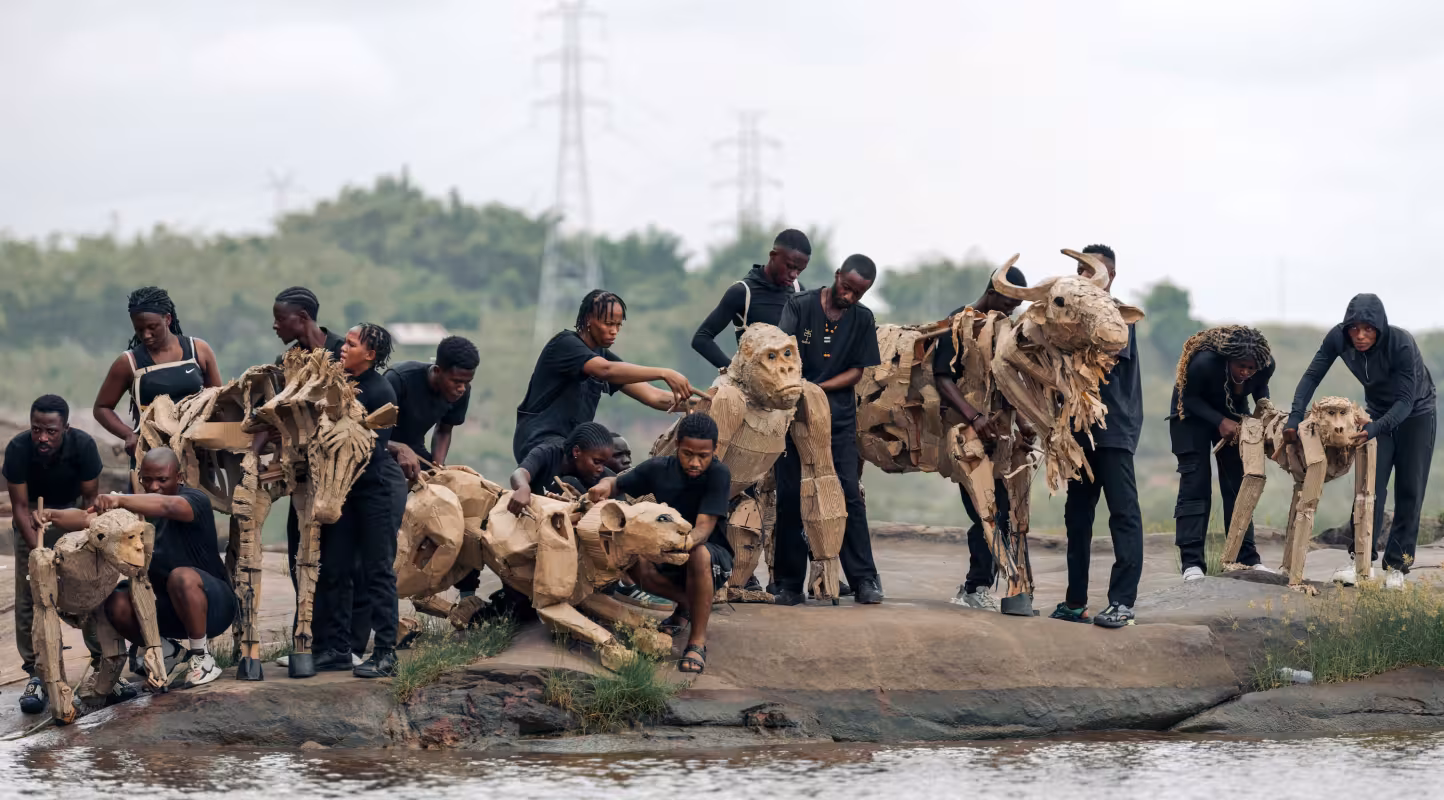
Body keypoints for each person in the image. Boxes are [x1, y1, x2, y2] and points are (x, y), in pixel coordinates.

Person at [43, 447, 237, 690]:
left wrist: (120, 499)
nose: (154, 486)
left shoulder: (194, 500)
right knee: (116, 600)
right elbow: (85, 518)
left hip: (213, 607)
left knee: (181, 577)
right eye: (147, 479)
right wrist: (49, 515)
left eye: (162, 479)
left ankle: (202, 658)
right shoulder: (133, 511)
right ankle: (170, 653)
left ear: (179, 477)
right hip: (167, 609)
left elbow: (167, 506)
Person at [1287, 294, 1437, 590]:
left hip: (1416, 414)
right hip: (1376, 415)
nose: (1360, 336)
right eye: (1354, 328)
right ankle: (1360, 562)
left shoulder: (1401, 344)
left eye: (1368, 329)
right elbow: (1312, 376)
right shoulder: (1338, 338)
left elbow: (1405, 401)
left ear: (1380, 327)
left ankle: (1397, 568)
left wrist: (1375, 429)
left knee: (1409, 489)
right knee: (1368, 489)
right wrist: (1294, 418)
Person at [774, 254, 883, 605]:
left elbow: (857, 372)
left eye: (857, 293)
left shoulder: (863, 318)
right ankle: (789, 583)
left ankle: (864, 580)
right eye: (846, 287)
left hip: (837, 419)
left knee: (848, 494)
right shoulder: (800, 305)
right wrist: (800, 389)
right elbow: (781, 354)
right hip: (793, 417)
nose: (849, 296)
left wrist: (818, 389)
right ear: (836, 276)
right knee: (791, 495)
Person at [586, 412, 732, 674]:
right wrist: (604, 486)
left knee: (698, 553)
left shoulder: (719, 474)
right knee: (629, 556)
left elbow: (702, 529)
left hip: (711, 558)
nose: (695, 462)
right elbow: (616, 483)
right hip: (667, 552)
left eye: (703, 456)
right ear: (677, 445)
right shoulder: (658, 468)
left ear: (715, 449)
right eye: (688, 454)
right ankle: (687, 606)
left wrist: (675, 545)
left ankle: (697, 641)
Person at [1053, 245, 1147, 628]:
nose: (1085, 276)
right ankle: (1075, 602)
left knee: (1123, 514)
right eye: (1079, 270)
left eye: (1092, 270)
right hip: (1078, 431)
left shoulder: (1118, 316)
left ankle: (1122, 603)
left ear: (1111, 276)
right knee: (1077, 517)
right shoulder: (1065, 315)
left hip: (1114, 428)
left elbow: (1097, 357)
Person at [311, 323, 408, 678]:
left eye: (351, 345)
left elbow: (365, 447)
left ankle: (385, 654)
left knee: (376, 571)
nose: (343, 347)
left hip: (374, 492)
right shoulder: (339, 383)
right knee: (334, 568)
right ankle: (336, 649)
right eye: (346, 342)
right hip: (344, 494)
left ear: (370, 354)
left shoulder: (380, 391)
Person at [930, 266, 1027, 611]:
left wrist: (1023, 424)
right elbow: (942, 378)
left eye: (1017, 305)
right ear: (993, 292)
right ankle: (975, 587)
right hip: (964, 434)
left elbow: (1009, 383)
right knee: (985, 511)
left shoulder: (1005, 331)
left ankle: (980, 585)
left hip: (997, 437)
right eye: (1009, 301)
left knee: (1001, 511)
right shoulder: (957, 323)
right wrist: (973, 416)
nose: (1012, 309)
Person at [4, 395, 105, 713]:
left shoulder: (84, 446)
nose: (42, 437)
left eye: (51, 431)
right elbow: (20, 507)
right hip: (32, 520)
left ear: (66, 428)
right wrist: (38, 551)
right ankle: (37, 674)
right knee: (31, 597)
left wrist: (82, 543)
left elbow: (90, 505)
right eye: (36, 429)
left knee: (87, 590)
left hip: (73, 516)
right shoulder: (18, 449)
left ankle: (103, 667)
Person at [513, 290, 694, 463]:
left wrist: (701, 403)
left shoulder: (602, 356)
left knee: (619, 477)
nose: (614, 331)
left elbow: (653, 396)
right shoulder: (565, 344)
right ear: (588, 319)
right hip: (540, 443)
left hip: (571, 449)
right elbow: (605, 370)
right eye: (608, 324)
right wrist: (664, 373)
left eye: (618, 325)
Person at [1167, 324, 1277, 587]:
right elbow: (1190, 399)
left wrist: (1265, 412)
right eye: (1241, 366)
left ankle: (1246, 557)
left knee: (1239, 486)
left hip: (1233, 412)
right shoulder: (1203, 363)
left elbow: (1260, 390)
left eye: (1251, 368)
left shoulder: (1265, 365)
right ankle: (1192, 564)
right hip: (1190, 415)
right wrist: (1219, 421)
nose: (1246, 372)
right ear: (1228, 359)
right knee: (1196, 484)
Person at [94, 287, 222, 459]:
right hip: (152, 456)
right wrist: (128, 434)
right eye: (139, 329)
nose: (146, 335)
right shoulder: (129, 362)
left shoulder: (198, 350)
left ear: (167, 319)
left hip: (198, 453)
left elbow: (218, 399)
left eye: (152, 327)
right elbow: (102, 408)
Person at [691, 228, 811, 371]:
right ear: (773, 256)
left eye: (799, 270)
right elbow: (702, 338)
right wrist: (736, 372)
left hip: (790, 378)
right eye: (789, 266)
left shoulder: (798, 291)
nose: (794, 275)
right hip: (751, 382)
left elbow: (807, 339)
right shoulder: (742, 292)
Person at [507, 422, 615, 512]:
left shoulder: (601, 476)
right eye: (596, 462)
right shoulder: (548, 452)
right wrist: (523, 488)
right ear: (576, 451)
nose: (601, 469)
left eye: (604, 464)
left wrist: (581, 501)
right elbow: (520, 473)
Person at [272, 286, 345, 361]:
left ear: (303, 316)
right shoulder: (286, 362)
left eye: (281, 319)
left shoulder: (344, 351)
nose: (275, 326)